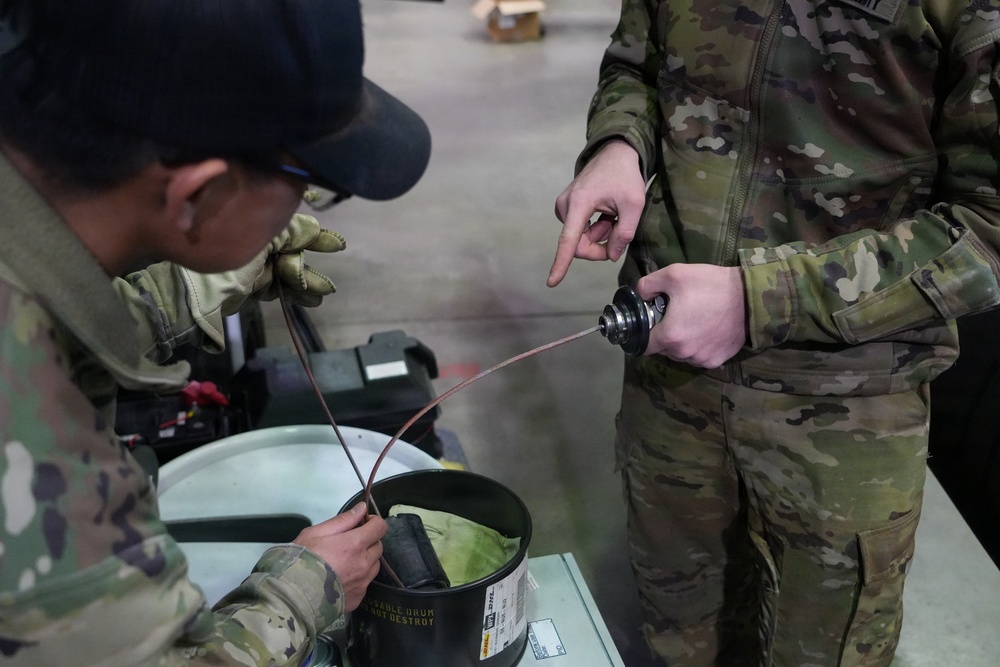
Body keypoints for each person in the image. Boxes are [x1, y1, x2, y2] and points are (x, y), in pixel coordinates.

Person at [548, 1, 1000, 665]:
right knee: (683, 638)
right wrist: (618, 144)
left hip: (843, 406)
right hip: (671, 380)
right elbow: (636, 62)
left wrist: (756, 300)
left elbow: (987, 230)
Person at [0, 0, 431, 664]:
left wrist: (203, 278)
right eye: (308, 182)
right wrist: (299, 592)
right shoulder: (47, 464)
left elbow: (58, 302)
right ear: (197, 195)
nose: (303, 206)